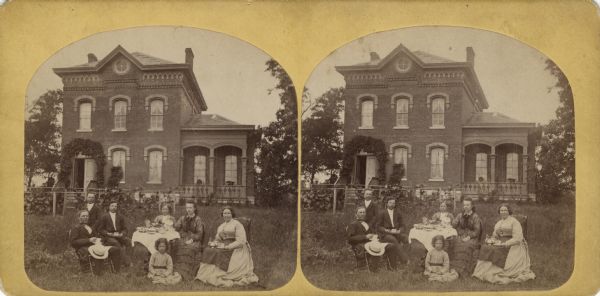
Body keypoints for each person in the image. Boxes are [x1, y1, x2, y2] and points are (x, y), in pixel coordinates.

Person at [196, 206, 258, 287]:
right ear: (222, 215)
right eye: (225, 213)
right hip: (224, 245)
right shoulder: (221, 226)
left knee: (219, 252)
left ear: (232, 214)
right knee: (208, 250)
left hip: (237, 247)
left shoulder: (237, 224)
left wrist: (228, 246)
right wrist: (214, 243)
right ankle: (206, 273)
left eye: (228, 213)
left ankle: (221, 272)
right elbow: (218, 239)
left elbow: (241, 241)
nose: (226, 215)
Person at [473, 204, 535, 284]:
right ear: (499, 212)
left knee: (498, 250)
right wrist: (491, 239)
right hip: (500, 242)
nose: (503, 212)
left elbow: (518, 238)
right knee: (486, 248)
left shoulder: (514, 222)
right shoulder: (498, 223)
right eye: (501, 210)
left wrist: (506, 243)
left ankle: (499, 270)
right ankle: (483, 271)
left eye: (505, 210)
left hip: (513, 244)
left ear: (509, 211)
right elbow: (495, 235)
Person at [347, 206, 403, 271]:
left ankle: (392, 268)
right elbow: (350, 239)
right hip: (361, 245)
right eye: (360, 212)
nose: (362, 214)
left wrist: (376, 236)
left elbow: (373, 233)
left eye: (364, 212)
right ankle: (373, 268)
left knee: (391, 246)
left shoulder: (368, 224)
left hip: (373, 242)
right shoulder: (353, 224)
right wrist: (365, 237)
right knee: (375, 247)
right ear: (356, 214)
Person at [172, 201, 205, 280]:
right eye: (187, 207)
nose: (188, 209)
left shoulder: (198, 219)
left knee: (189, 249)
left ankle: (186, 273)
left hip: (195, 240)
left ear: (194, 208)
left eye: (190, 207)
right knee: (174, 246)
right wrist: (172, 222)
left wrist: (192, 239)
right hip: (183, 238)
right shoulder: (183, 218)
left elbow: (200, 234)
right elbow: (176, 228)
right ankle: (175, 270)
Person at [450, 197, 482, 277]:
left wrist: (469, 237)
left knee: (465, 246)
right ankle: (453, 268)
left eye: (468, 205)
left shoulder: (475, 217)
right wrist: (453, 220)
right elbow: (453, 225)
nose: (466, 207)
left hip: (472, 238)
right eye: (464, 205)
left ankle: (464, 271)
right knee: (453, 243)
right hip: (461, 236)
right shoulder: (460, 215)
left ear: (472, 206)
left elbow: (477, 231)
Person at [94, 200, 131, 267]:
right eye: (112, 206)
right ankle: (122, 263)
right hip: (108, 237)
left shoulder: (120, 216)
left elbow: (125, 228)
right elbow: (100, 229)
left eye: (115, 206)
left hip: (118, 235)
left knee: (129, 241)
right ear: (109, 207)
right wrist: (108, 233)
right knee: (116, 243)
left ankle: (128, 260)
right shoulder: (104, 216)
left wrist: (122, 234)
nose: (114, 207)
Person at [376, 197, 409, 266]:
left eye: (393, 203)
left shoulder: (398, 213)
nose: (392, 204)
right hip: (385, 234)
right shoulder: (382, 213)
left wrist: (399, 230)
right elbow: (378, 226)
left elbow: (403, 225)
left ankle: (403, 256)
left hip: (396, 232)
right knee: (393, 239)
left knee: (406, 238)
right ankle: (404, 260)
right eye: (390, 203)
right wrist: (385, 230)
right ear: (387, 204)